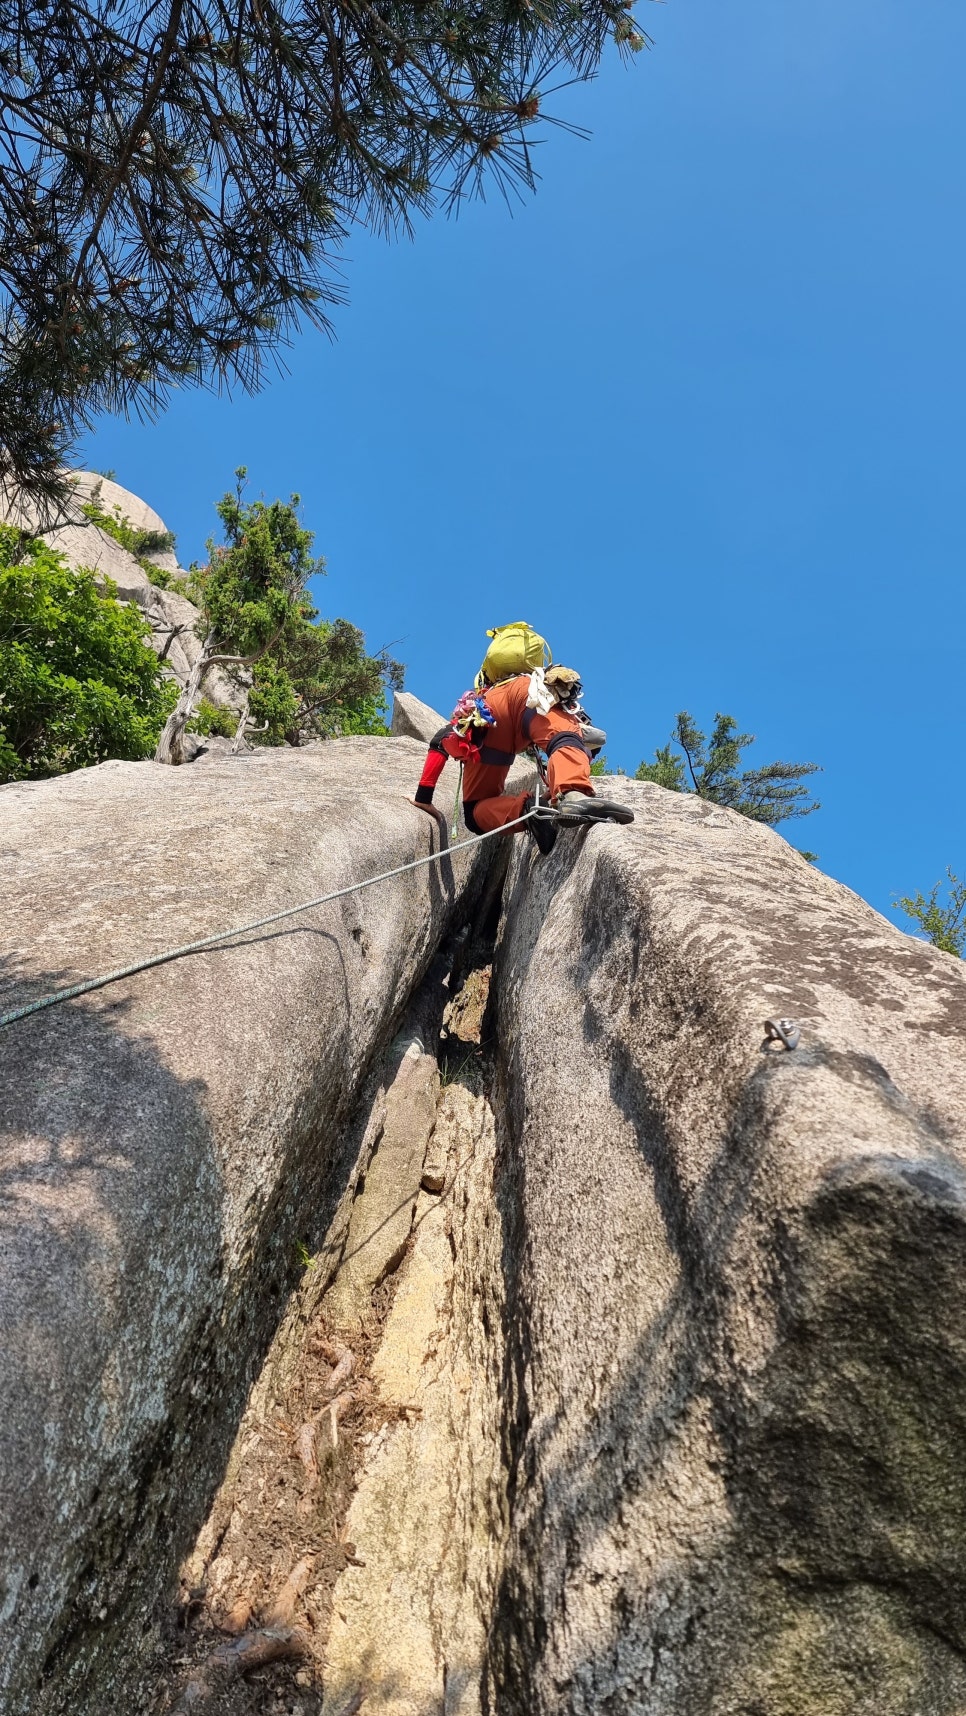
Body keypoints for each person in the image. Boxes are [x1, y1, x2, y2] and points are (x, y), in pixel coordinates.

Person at [412, 643, 634, 855]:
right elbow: (589, 741)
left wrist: (424, 796)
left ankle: (528, 812)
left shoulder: (486, 693)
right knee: (562, 738)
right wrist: (565, 780)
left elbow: (440, 741)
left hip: (487, 713)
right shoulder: (531, 682)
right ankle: (573, 795)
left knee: (474, 811)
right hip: (530, 694)